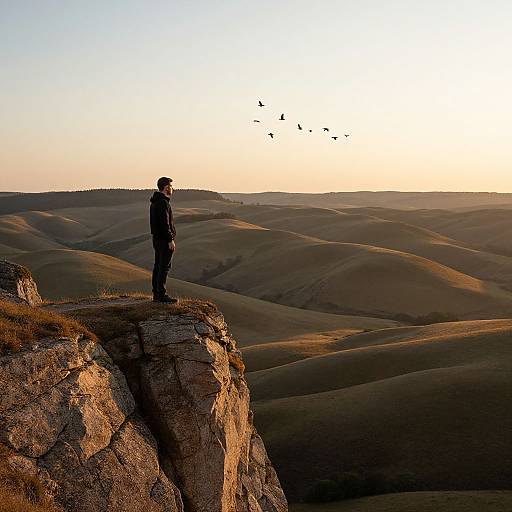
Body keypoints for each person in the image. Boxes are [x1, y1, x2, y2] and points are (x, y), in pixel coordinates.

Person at [150, 177, 178, 303]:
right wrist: (170, 239)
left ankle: (156, 294)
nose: (172, 189)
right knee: (164, 267)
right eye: (171, 186)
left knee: (158, 266)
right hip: (163, 240)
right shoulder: (163, 203)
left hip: (157, 239)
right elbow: (164, 224)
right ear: (166, 187)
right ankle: (161, 294)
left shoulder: (155, 202)